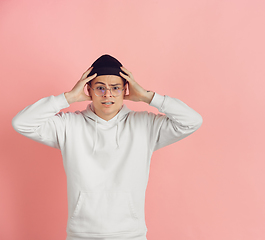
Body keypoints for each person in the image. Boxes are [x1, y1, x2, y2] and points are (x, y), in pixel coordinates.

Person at [12, 54, 203, 240]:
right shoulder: (68, 126)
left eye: (115, 88)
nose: (108, 94)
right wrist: (67, 98)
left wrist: (147, 97)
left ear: (126, 89)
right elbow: (21, 123)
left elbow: (192, 121)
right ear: (88, 90)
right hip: (81, 234)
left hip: (131, 234)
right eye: (100, 88)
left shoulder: (145, 125)